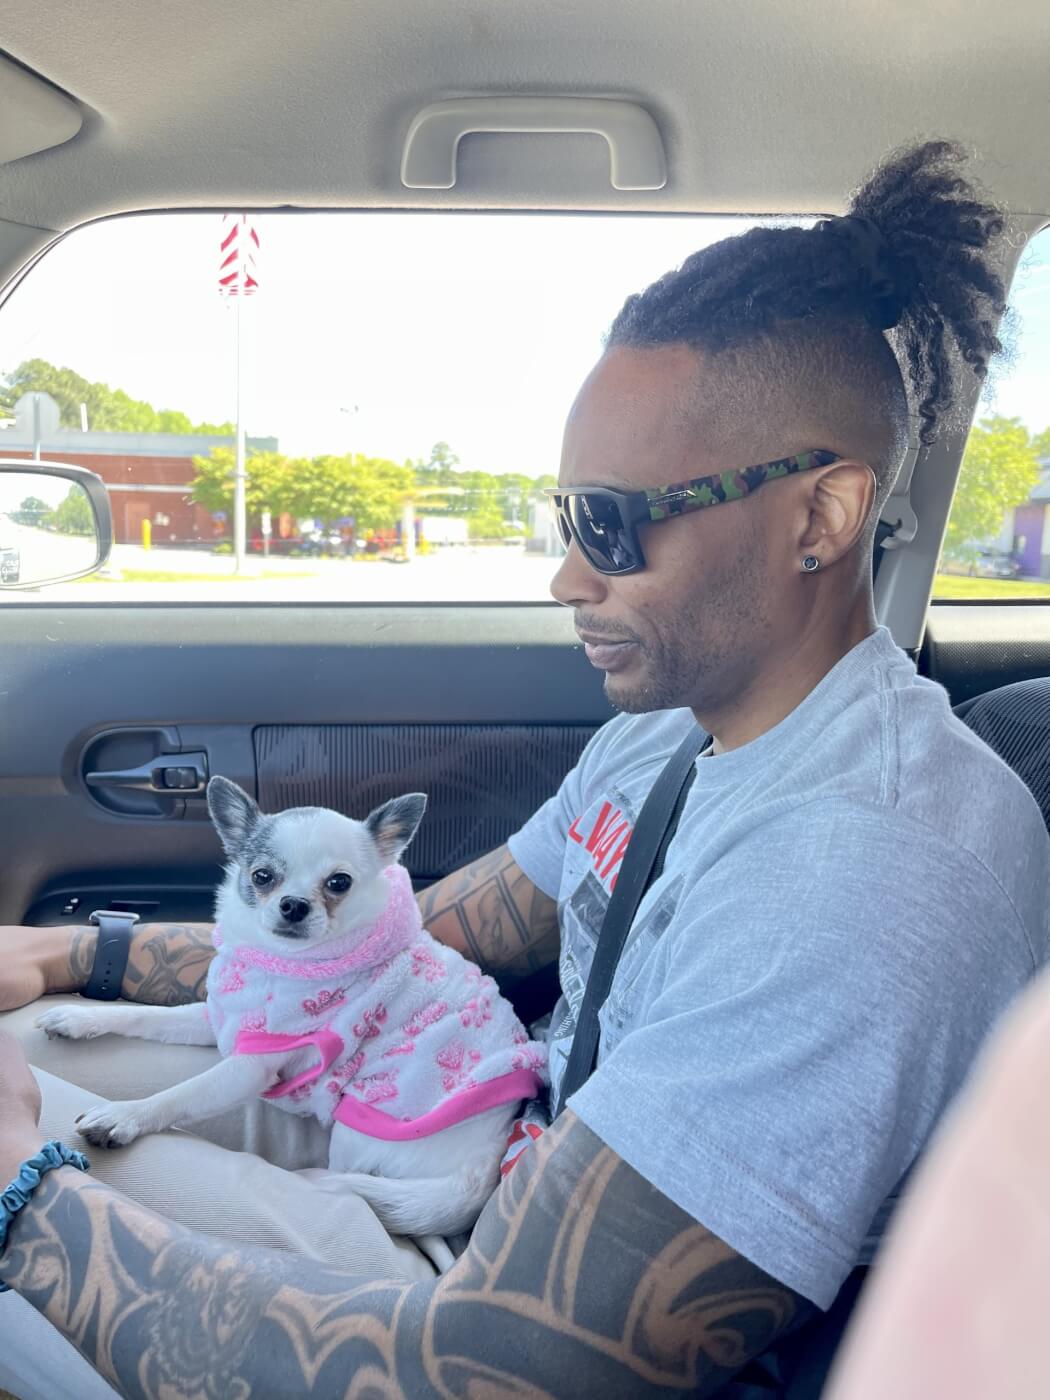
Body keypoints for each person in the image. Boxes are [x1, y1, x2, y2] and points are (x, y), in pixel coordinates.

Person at [0, 138, 1046, 1399]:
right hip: (487, 1170)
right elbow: (399, 933)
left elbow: (496, 1371)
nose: (566, 576)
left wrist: (21, 1210)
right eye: (566, 520)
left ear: (818, 518)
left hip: (474, 1304)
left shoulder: (862, 876)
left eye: (611, 525)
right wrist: (75, 953)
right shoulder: (665, 734)